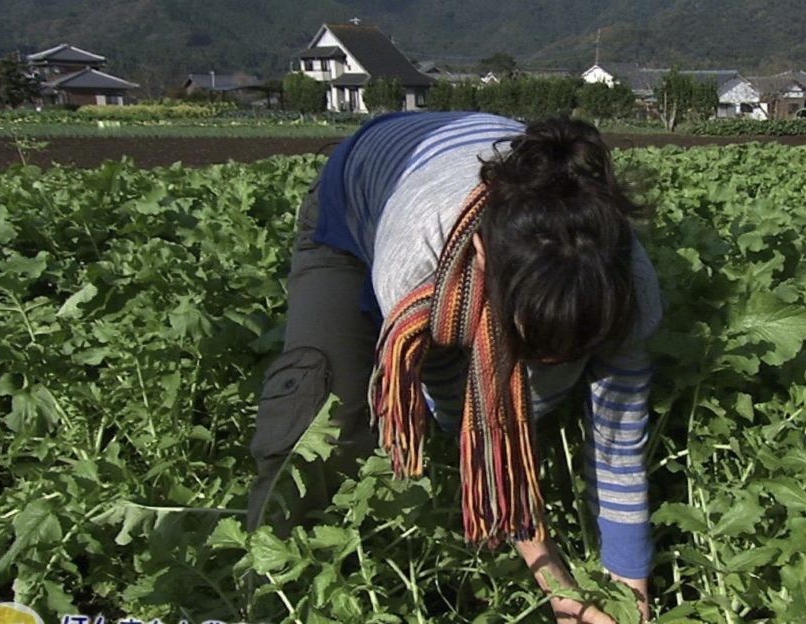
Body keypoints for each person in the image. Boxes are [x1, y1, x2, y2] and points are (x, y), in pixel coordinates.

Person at [246, 112, 662, 623]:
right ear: (483, 255)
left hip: (455, 172)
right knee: (323, 424)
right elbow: (476, 431)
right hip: (354, 207)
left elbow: (621, 438)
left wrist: (631, 595)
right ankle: (258, 604)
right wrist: (554, 580)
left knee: (537, 394)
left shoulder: (626, 281)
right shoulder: (416, 257)